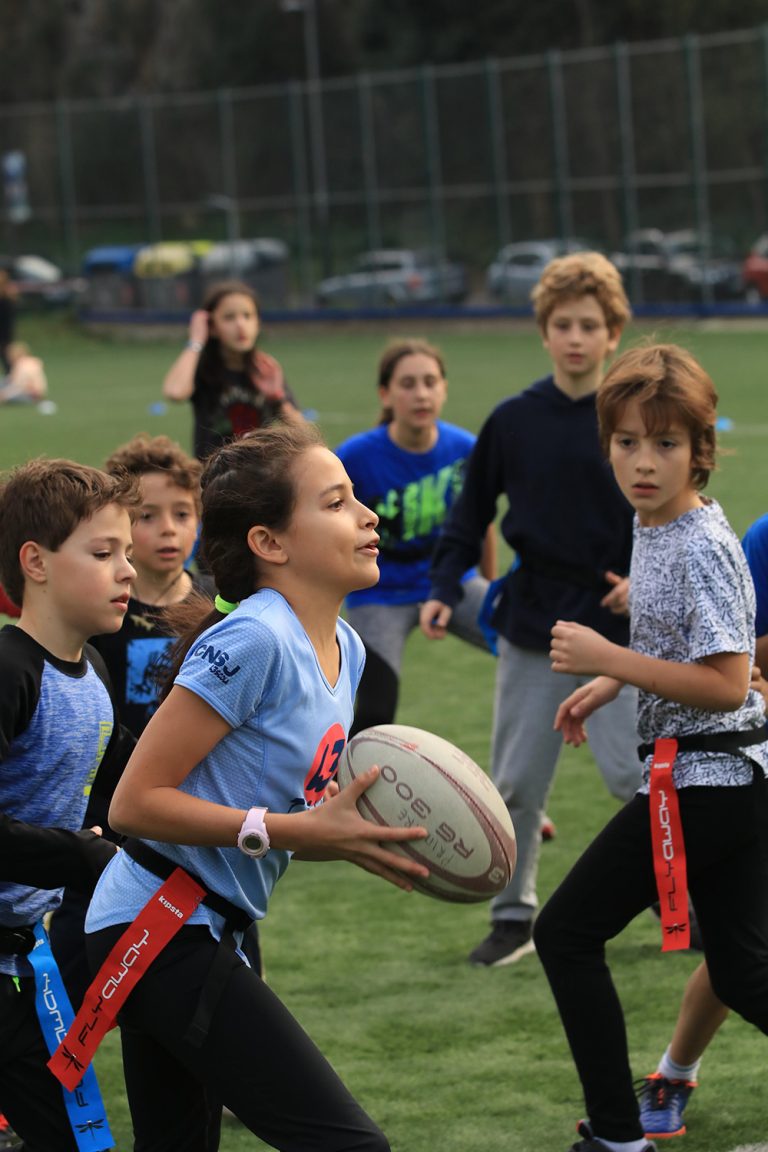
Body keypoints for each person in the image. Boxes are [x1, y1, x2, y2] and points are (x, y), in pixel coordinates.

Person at [77, 422, 430, 1152]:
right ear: (270, 543)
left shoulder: (348, 649)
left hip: (206, 926)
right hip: (157, 927)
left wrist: (349, 836)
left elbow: (285, 816)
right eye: (336, 503)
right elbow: (135, 804)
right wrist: (295, 831)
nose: (368, 515)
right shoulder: (254, 638)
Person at [536, 343, 768, 1152]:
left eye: (665, 443)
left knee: (565, 934)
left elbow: (729, 682)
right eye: (627, 441)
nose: (643, 461)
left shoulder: (700, 541)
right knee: (743, 971)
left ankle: (616, 1135)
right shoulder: (655, 522)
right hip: (728, 775)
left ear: (700, 451)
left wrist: (609, 658)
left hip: (710, 778)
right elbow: (683, 639)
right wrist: (613, 681)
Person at [420, 251, 641, 967]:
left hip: (619, 629)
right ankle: (513, 916)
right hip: (534, 622)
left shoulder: (634, 418)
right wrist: (443, 586)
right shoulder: (514, 419)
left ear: (612, 333)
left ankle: (685, 900)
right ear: (544, 332)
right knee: (514, 784)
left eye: (590, 325)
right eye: (563, 324)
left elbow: (673, 512)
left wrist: (643, 582)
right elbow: (470, 512)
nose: (576, 338)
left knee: (636, 779)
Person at [0, 456, 140, 1151]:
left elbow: (130, 787)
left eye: (128, 553)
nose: (127, 572)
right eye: (104, 553)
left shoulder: (95, 673)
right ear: (37, 563)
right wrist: (79, 856)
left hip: (26, 951)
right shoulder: (9, 672)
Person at [634, 507, 768, 1141]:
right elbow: (737, 659)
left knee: (745, 947)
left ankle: (673, 1074)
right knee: (745, 946)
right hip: (753, 755)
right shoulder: (761, 540)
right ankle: (674, 1074)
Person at [335, 338, 496, 736]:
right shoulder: (355, 457)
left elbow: (482, 521)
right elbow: (328, 525)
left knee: (526, 640)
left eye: (430, 382)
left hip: (452, 580)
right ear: (385, 394)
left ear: (444, 388)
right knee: (376, 707)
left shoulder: (465, 448)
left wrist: (488, 586)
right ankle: (342, 774)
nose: (421, 394)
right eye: (407, 384)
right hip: (380, 591)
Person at [161, 279, 303, 461]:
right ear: (212, 327)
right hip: (212, 473)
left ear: (258, 323)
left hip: (257, 472)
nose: (240, 325)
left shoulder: (265, 369)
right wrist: (196, 341)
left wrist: (277, 397)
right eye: (229, 317)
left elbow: (304, 435)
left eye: (247, 316)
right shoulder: (204, 369)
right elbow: (174, 392)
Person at [0, 341, 49, 405]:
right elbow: (11, 380)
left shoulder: (22, 366)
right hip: (37, 393)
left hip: (31, 395)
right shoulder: (30, 363)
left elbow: (19, 386)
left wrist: (5, 395)